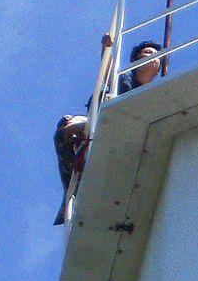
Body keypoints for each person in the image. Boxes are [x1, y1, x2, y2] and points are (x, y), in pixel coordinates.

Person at [53, 40, 163, 223]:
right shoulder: (123, 79)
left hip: (126, 126)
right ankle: (73, 187)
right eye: (145, 53)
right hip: (103, 119)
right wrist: (106, 50)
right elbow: (109, 71)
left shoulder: (154, 95)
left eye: (154, 54)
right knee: (64, 126)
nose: (150, 56)